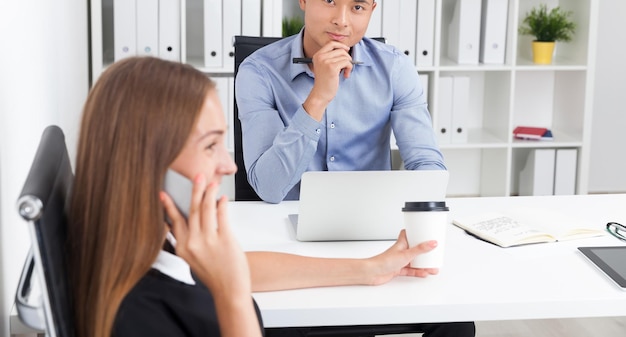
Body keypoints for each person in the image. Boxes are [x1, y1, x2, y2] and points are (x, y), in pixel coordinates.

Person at [67, 56, 468, 337]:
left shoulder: (154, 246)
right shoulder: (141, 313)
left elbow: (238, 267)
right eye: (210, 147)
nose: (230, 167)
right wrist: (233, 298)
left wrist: (369, 268)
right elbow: (232, 279)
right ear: (145, 162)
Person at [235, 0, 445, 204]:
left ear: (371, 10)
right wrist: (318, 98)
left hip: (371, 220)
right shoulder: (259, 71)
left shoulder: (395, 68)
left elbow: (426, 164)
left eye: (358, 7)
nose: (342, 20)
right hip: (286, 223)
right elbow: (268, 187)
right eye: (329, 0)